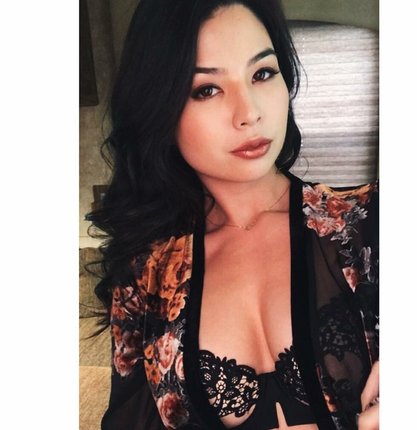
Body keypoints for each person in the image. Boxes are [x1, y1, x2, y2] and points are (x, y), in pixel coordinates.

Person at [87, 0, 379, 429]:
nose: (250, 113)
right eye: (206, 89)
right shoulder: (144, 274)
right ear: (159, 108)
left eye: (262, 73)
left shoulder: (372, 223)